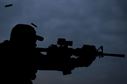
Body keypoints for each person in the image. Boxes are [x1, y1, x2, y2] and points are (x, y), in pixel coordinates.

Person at [0, 24, 96, 84]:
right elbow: (59, 64)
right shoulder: (25, 55)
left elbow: (53, 63)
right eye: (33, 40)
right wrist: (85, 59)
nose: (35, 43)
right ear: (23, 40)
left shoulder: (9, 50)